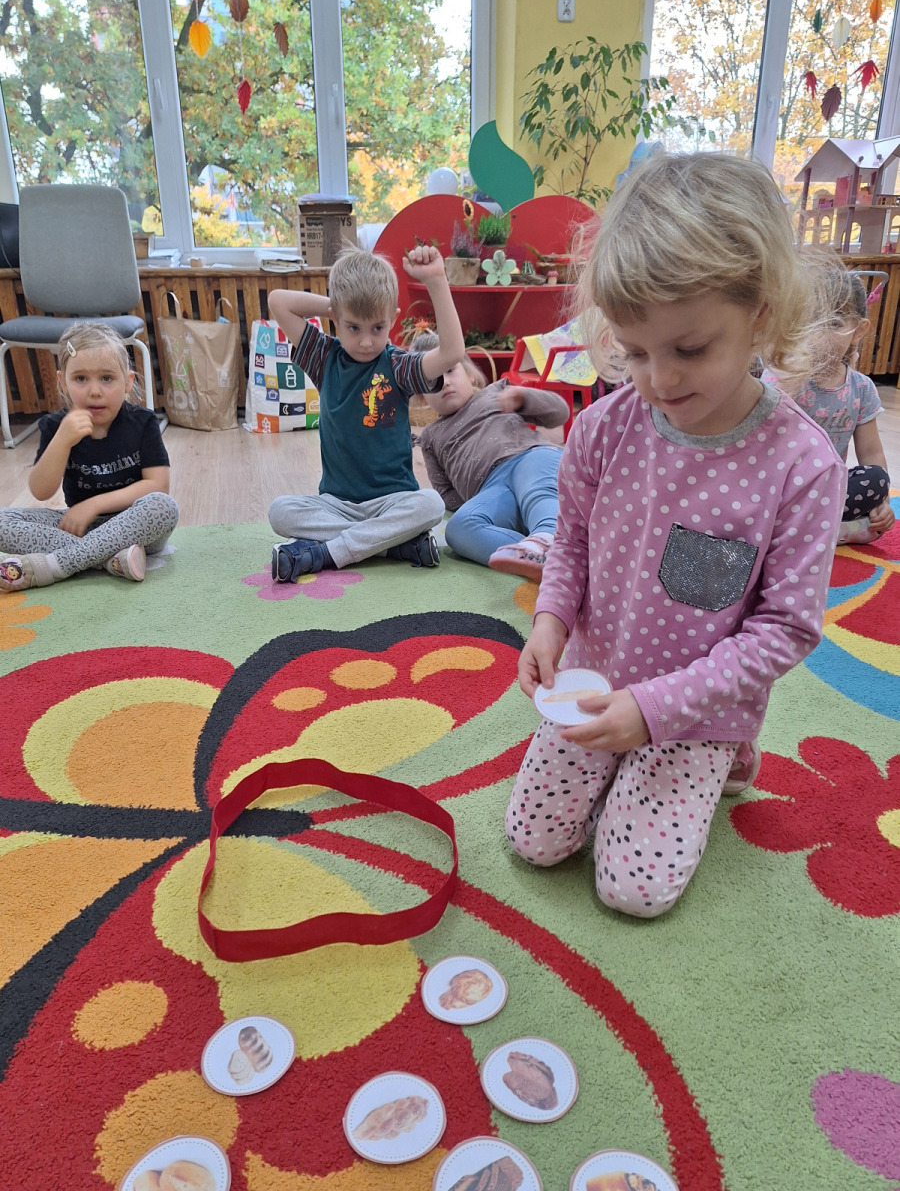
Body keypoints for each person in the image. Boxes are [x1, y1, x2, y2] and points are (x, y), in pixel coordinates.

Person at [505, 151, 848, 918]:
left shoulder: (802, 466)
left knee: (632, 891)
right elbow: (571, 543)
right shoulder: (602, 429)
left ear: (760, 314)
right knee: (535, 840)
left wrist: (658, 711)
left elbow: (786, 628)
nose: (658, 380)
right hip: (595, 681)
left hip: (697, 710)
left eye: (688, 349)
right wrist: (551, 620)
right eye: (635, 352)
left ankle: (725, 756)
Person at [266, 245, 465, 577]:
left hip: (393, 501)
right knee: (279, 512)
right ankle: (390, 544)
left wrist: (435, 279)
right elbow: (278, 301)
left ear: (393, 320)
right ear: (336, 319)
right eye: (353, 327)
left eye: (377, 327)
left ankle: (327, 553)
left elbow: (452, 352)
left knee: (432, 505)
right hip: (336, 505)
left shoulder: (398, 365)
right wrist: (338, 305)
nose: (366, 342)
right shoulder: (324, 356)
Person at [0, 322, 178, 592]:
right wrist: (62, 440)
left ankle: (56, 565)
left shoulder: (142, 422)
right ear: (63, 382)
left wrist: (93, 505)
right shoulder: (56, 426)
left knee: (164, 507)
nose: (94, 391)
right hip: (80, 528)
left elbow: (158, 485)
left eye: (106, 378)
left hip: (137, 528)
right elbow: (41, 490)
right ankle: (109, 561)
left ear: (128, 382)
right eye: (81, 379)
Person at [411, 330, 569, 580]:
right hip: (493, 490)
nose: (445, 382)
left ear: (470, 374)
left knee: (537, 494)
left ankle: (550, 538)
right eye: (432, 381)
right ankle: (534, 553)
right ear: (421, 396)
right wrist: (481, 503)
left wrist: (524, 398)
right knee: (458, 529)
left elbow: (560, 413)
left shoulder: (497, 393)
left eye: (450, 371)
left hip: (531, 458)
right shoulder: (430, 436)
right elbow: (446, 493)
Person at [762, 255, 894, 546]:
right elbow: (760, 439)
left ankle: (807, 532)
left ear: (857, 331)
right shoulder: (781, 375)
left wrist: (881, 502)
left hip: (827, 489)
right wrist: (791, 380)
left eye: (833, 323)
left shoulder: (861, 388)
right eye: (810, 321)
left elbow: (872, 453)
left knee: (875, 479)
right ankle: (835, 532)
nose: (818, 333)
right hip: (780, 487)